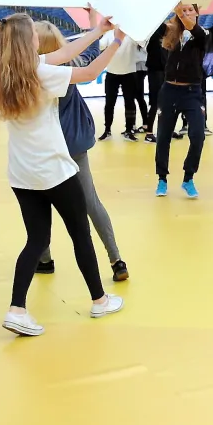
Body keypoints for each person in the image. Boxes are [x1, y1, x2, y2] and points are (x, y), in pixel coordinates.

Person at [0, 12, 125, 337]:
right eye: (34, 34)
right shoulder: (41, 73)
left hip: (22, 174)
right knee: (80, 234)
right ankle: (99, 299)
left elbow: (64, 54)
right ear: (27, 42)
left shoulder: (4, 72)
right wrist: (117, 40)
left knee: (36, 240)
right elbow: (91, 72)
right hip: (54, 170)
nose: (39, 36)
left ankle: (17, 308)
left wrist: (97, 31)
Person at [34, 20, 128, 282]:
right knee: (91, 203)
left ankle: (44, 259)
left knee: (41, 205)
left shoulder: (32, 72)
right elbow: (89, 57)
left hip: (46, 147)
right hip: (74, 144)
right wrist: (111, 35)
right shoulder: (68, 70)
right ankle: (116, 259)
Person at [153, 3, 208, 197]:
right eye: (182, 10)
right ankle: (162, 178)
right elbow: (154, 19)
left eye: (189, 10)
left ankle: (188, 177)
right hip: (169, 91)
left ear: (197, 12)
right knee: (163, 137)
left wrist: (180, 13)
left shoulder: (202, 34)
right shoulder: (171, 33)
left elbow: (197, 32)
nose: (185, 13)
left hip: (192, 92)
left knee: (197, 135)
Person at [98, 30, 143, 141]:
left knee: (130, 103)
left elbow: (142, 43)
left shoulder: (132, 35)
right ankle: (107, 130)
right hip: (112, 73)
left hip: (129, 73)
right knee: (109, 103)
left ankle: (129, 130)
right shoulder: (109, 34)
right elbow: (100, 46)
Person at [142, 20, 168, 141]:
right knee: (155, 103)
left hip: (164, 71)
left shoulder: (166, 40)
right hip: (155, 72)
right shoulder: (152, 38)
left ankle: (167, 130)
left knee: (166, 103)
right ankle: (149, 133)